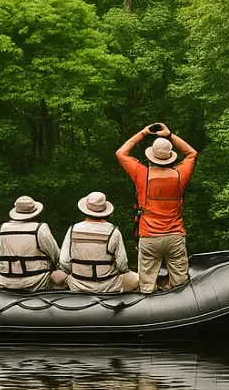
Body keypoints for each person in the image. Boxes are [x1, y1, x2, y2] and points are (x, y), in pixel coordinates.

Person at [116, 123, 198, 294]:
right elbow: (192, 153)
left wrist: (143, 133)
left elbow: (121, 153)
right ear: (170, 157)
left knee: (146, 286)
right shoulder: (179, 175)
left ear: (150, 156)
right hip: (175, 235)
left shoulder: (141, 174)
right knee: (181, 284)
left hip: (149, 236)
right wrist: (169, 135)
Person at [58, 192, 140, 293]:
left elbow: (64, 261)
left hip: (78, 285)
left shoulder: (72, 229)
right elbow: (122, 265)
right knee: (139, 280)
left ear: (85, 210)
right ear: (105, 211)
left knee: (56, 276)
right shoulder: (113, 231)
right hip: (108, 285)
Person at [0, 195, 61, 292]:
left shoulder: (2, 228)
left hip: (6, 281)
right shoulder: (40, 228)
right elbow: (55, 254)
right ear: (35, 213)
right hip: (37, 281)